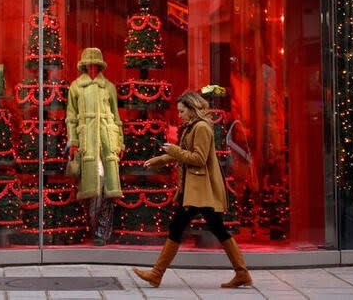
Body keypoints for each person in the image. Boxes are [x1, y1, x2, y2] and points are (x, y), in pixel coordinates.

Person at [133, 91, 252, 288]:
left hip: (200, 191)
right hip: (195, 190)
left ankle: (156, 273)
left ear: (191, 109)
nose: (179, 115)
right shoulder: (192, 127)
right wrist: (158, 160)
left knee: (181, 227)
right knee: (215, 228)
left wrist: (173, 150)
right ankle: (242, 273)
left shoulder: (202, 128)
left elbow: (198, 158)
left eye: (182, 111)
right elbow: (182, 153)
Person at [66, 47, 124, 246]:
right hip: (87, 142)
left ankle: (102, 231)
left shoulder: (108, 87)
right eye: (89, 64)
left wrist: (119, 142)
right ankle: (93, 225)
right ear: (84, 65)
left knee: (107, 188)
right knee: (92, 187)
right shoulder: (76, 87)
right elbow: (71, 118)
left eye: (96, 65)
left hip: (107, 141)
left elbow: (116, 117)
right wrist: (73, 141)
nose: (92, 68)